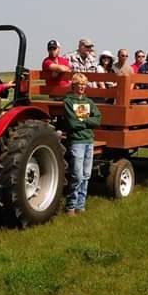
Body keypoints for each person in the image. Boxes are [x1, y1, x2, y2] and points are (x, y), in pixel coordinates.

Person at [59, 73, 101, 215]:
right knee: (76, 175)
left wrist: (84, 120)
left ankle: (80, 205)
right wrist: (87, 121)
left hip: (89, 140)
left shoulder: (89, 102)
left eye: (84, 84)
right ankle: (71, 205)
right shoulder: (68, 102)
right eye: (79, 84)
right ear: (74, 86)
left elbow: (97, 120)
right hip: (77, 141)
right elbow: (72, 123)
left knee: (86, 174)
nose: (82, 87)